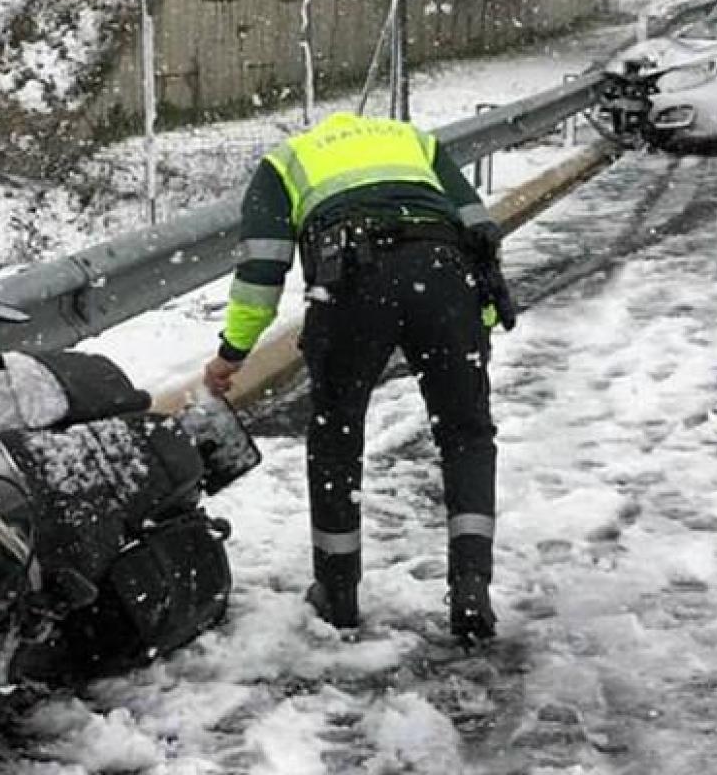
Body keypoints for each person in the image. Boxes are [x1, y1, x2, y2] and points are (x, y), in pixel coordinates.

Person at [203, 111, 515, 642]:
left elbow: (262, 269)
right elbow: (479, 227)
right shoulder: (412, 139)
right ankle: (469, 586)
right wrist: (477, 319)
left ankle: (338, 592)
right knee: (466, 435)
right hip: (444, 276)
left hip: (350, 284)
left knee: (336, 437)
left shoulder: (284, 163)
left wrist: (231, 353)